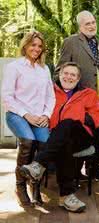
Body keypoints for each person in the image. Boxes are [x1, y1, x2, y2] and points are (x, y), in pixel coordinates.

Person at [19, 62, 99, 212]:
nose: (68, 77)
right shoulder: (49, 92)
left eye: (73, 75)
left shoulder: (88, 93)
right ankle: (66, 197)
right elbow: (36, 108)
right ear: (59, 74)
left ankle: (38, 164)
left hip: (82, 136)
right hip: (58, 138)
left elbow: (98, 117)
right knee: (65, 143)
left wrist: (77, 118)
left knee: (67, 123)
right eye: (66, 73)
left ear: (78, 79)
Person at [1, 31, 55, 207]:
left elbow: (50, 97)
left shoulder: (44, 69)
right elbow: (7, 97)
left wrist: (46, 115)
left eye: (39, 46)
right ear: (25, 46)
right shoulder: (14, 67)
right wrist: (26, 115)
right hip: (17, 114)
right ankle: (20, 186)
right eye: (33, 45)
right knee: (28, 141)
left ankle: (35, 185)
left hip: (39, 117)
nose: (36, 49)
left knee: (45, 143)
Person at [55, 10, 99, 179]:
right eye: (87, 24)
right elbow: (59, 71)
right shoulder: (71, 42)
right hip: (79, 99)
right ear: (80, 26)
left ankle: (93, 168)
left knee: (98, 134)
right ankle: (74, 171)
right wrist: (71, 92)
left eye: (93, 22)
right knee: (81, 134)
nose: (92, 26)